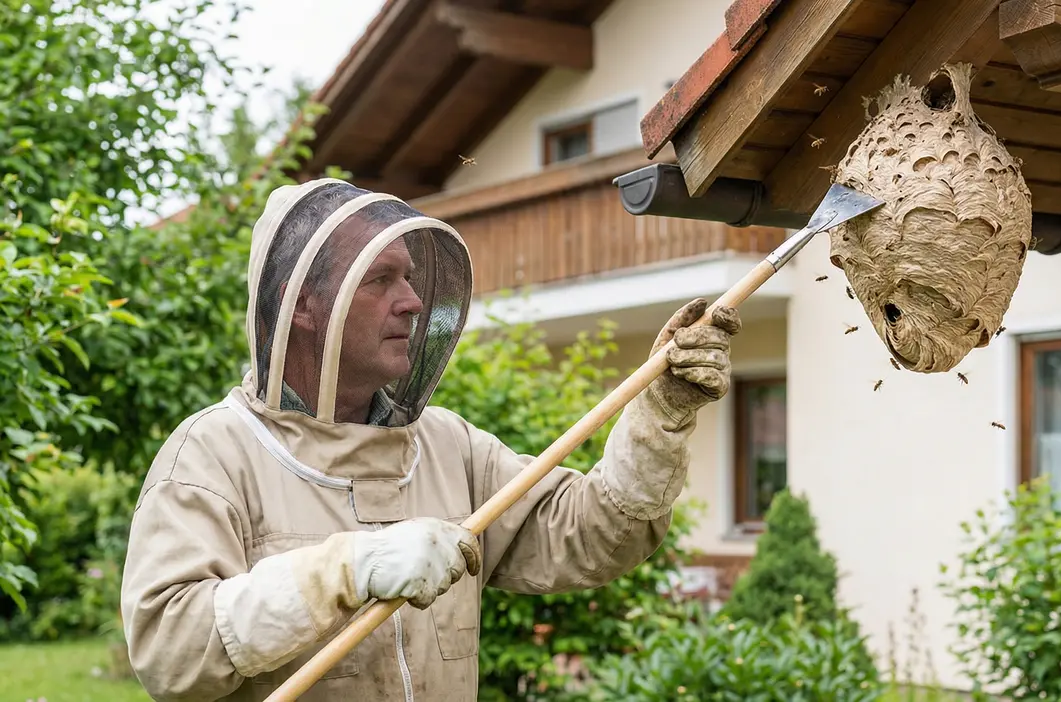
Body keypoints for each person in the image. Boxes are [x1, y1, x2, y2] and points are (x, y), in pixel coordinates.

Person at [119, 178, 742, 701]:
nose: (413, 302)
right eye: (380, 280)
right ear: (302, 304)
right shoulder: (213, 455)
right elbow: (170, 651)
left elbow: (594, 536)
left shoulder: (447, 445)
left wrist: (659, 415)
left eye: (411, 279)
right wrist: (344, 570)